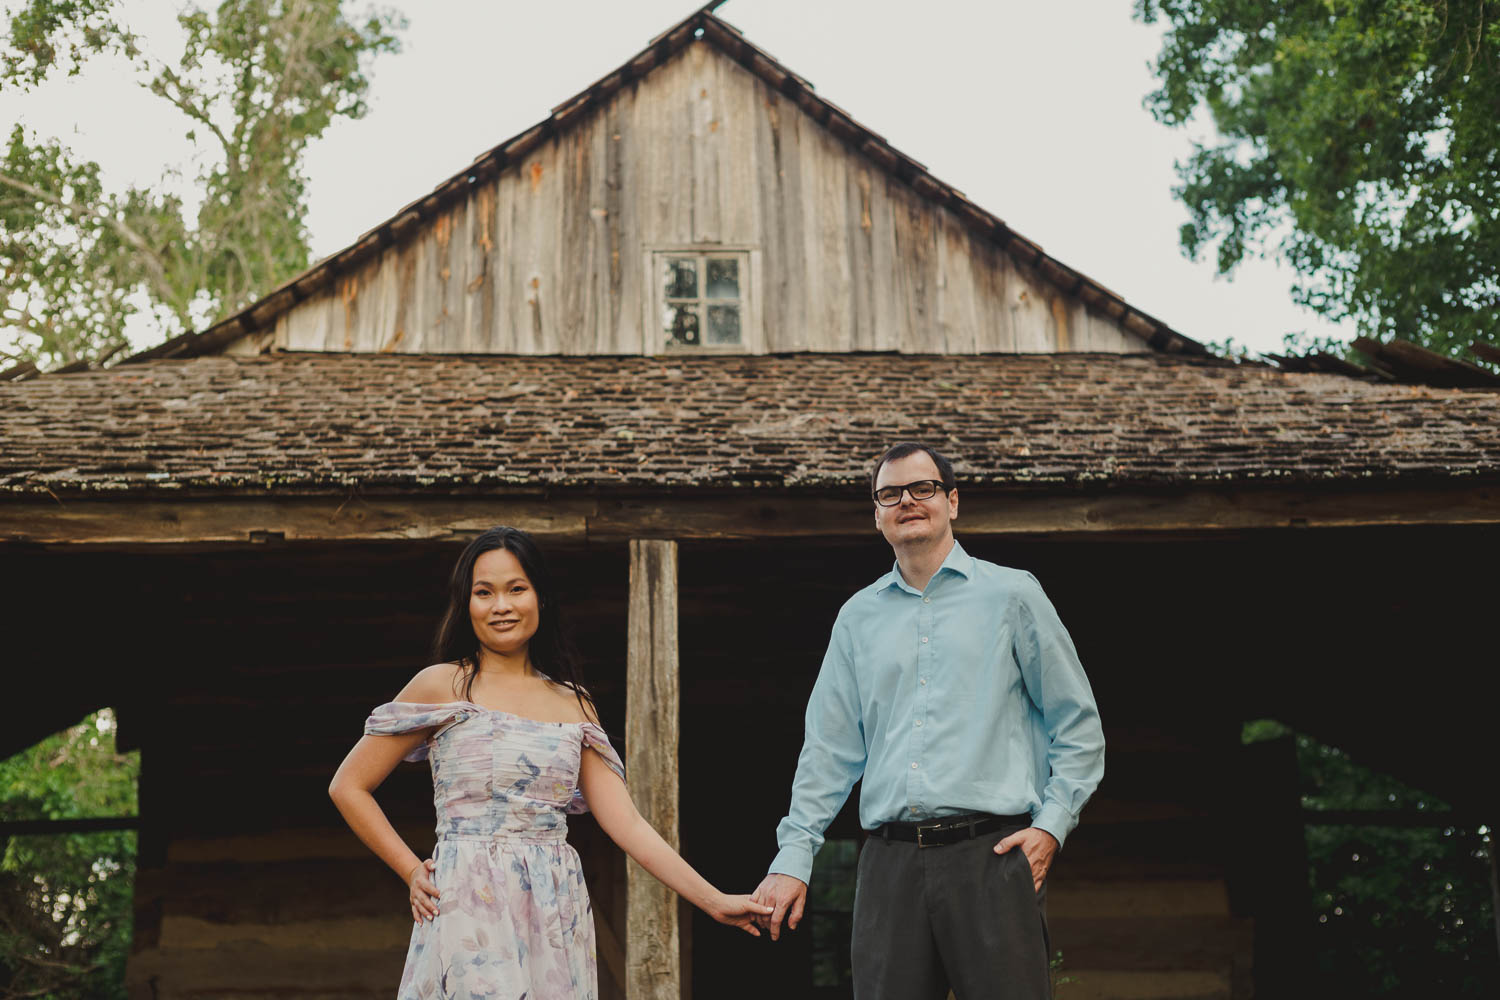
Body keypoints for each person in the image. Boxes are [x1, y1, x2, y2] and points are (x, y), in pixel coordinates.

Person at [330, 526, 770, 1000]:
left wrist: (713, 900)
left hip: (555, 907)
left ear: (541, 597)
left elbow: (628, 823)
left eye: (516, 589)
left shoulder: (573, 704)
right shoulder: (442, 685)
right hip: (469, 904)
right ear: (466, 604)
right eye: (484, 593)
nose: (502, 605)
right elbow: (349, 786)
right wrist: (412, 870)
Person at [752, 442, 1105, 999]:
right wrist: (794, 855)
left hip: (992, 856)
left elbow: (1078, 724)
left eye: (923, 488)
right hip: (888, 865)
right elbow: (828, 749)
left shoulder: (1013, 595)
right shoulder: (856, 617)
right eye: (890, 494)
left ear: (952, 501)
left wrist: (1051, 826)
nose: (908, 502)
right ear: (876, 513)